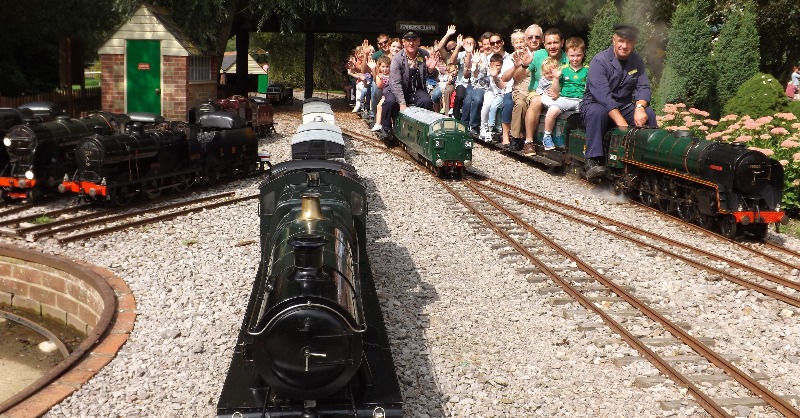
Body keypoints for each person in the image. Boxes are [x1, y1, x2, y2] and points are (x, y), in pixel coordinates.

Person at [581, 24, 656, 178]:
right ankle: (592, 161)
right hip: (595, 104)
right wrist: (623, 125)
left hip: (623, 106)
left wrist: (640, 107)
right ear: (613, 40)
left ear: (634, 43)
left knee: (649, 113)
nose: (624, 45)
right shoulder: (599, 61)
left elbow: (643, 86)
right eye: (621, 40)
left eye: (629, 42)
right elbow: (604, 97)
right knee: (598, 112)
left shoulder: (637, 61)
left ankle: (649, 159)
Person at [379, 30, 440, 134]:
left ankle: (423, 130)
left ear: (418, 42)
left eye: (414, 40)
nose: (411, 43)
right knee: (390, 102)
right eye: (408, 40)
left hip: (416, 89)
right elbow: (395, 84)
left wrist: (431, 70)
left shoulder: (424, 54)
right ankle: (386, 128)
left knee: (427, 101)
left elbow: (433, 76)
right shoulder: (397, 59)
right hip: (396, 90)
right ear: (403, 42)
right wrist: (402, 104)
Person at [522, 28, 568, 155]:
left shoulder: (568, 59)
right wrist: (522, 65)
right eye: (549, 43)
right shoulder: (537, 55)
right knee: (537, 100)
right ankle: (529, 142)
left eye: (555, 43)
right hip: (538, 91)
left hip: (560, 93)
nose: (552, 46)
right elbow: (521, 75)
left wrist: (560, 94)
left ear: (562, 43)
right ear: (544, 43)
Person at [541, 37, 588, 150]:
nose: (575, 58)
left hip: (581, 100)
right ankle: (546, 136)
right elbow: (556, 91)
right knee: (552, 110)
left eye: (578, 55)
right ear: (567, 54)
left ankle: (585, 141)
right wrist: (556, 78)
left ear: (583, 54)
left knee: (590, 114)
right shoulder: (562, 69)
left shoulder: (588, 70)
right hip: (565, 98)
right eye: (572, 56)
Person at [505, 24, 543, 149]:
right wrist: (520, 65)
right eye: (530, 37)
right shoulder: (518, 55)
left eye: (537, 37)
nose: (533, 40)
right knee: (521, 103)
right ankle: (515, 137)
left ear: (542, 39)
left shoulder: (546, 54)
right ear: (526, 40)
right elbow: (509, 77)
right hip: (522, 90)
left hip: (540, 91)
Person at [370, 55, 392, 131]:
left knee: (381, 106)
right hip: (384, 94)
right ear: (379, 67)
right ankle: (378, 123)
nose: (385, 69)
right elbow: (379, 85)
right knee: (379, 106)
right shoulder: (379, 76)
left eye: (387, 67)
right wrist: (381, 78)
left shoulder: (391, 75)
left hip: (391, 93)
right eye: (383, 67)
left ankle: (379, 123)